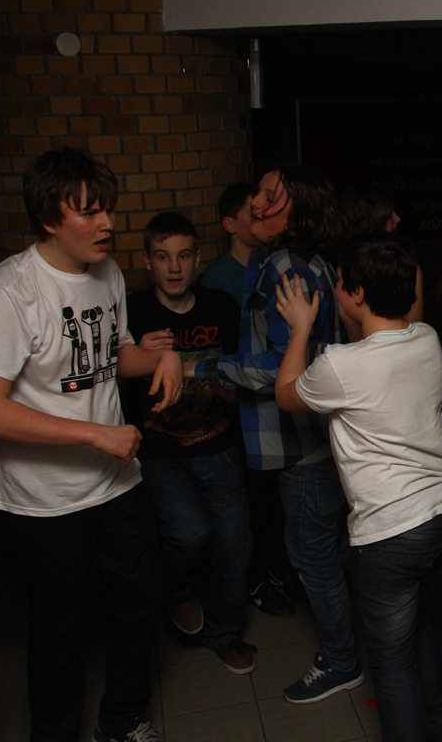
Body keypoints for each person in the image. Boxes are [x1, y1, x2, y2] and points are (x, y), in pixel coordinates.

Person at [0, 148, 182, 742]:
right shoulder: (9, 292)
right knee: (59, 630)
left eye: (107, 209)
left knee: (139, 604)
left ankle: (123, 720)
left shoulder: (106, 273)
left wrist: (163, 357)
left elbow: (110, 357)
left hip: (114, 481)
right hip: (40, 497)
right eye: (88, 212)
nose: (106, 223)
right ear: (49, 219)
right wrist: (94, 433)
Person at [273, 233, 442, 742]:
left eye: (340, 283)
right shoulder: (426, 338)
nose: (335, 289)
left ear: (356, 294)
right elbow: (380, 340)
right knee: (417, 632)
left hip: (392, 531)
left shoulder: (341, 365)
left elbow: (286, 394)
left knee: (392, 666)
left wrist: (301, 327)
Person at [188, 165, 363, 703]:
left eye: (268, 196)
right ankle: (371, 638)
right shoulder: (292, 259)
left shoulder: (289, 266)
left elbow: (285, 365)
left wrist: (204, 368)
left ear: (296, 209)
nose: (255, 204)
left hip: (303, 445)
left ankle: (343, 660)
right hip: (310, 440)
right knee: (330, 548)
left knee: (314, 556)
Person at [125, 212, 254, 673]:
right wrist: (142, 354)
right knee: (189, 532)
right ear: (148, 261)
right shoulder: (133, 312)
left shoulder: (220, 306)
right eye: (163, 257)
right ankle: (177, 593)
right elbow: (113, 374)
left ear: (198, 259)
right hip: (160, 450)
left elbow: (241, 372)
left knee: (234, 544)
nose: (174, 267)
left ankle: (225, 632)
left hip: (217, 443)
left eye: (183, 256)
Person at [196, 180, 297, 617]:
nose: (260, 214)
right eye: (250, 212)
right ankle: (257, 578)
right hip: (240, 404)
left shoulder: (274, 266)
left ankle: (282, 568)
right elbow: (217, 349)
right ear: (230, 225)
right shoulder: (218, 279)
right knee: (253, 499)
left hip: (280, 401)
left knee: (278, 499)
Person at [337, 185, 423, 325]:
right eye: (389, 214)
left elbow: (414, 329)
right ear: (372, 219)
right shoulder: (345, 268)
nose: (397, 218)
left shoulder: (406, 267)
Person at [198, 181, 257, 306]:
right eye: (253, 215)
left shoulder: (275, 264)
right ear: (230, 225)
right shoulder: (215, 279)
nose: (261, 219)